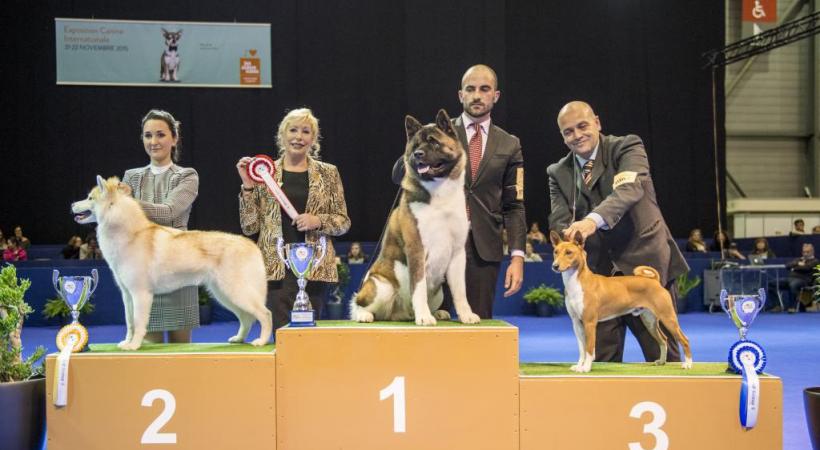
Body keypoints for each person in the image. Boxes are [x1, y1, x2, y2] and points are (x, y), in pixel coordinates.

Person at [547, 101, 688, 363]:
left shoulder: (627, 147)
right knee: (601, 363)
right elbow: (558, 218)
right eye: (568, 132)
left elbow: (629, 191)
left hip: (642, 264)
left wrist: (591, 221)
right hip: (597, 279)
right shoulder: (557, 172)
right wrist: (568, 235)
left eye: (582, 126)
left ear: (597, 123)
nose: (577, 135)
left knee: (663, 357)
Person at [391, 64, 526, 319]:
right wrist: (417, 145)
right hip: (432, 244)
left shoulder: (510, 144)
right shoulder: (438, 133)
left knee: (476, 332)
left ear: (495, 96)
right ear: (460, 95)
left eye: (485, 89)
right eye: (470, 89)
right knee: (428, 331)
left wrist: (517, 256)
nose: (477, 95)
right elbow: (397, 176)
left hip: (482, 250)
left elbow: (515, 204)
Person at [237, 108, 351, 331]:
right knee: (281, 336)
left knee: (309, 338)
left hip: (315, 267)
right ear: (282, 135)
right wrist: (248, 187)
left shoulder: (328, 173)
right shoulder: (263, 173)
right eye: (293, 130)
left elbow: (343, 222)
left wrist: (317, 220)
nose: (298, 136)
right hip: (275, 268)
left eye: (305, 131)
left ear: (313, 139)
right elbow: (249, 227)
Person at [119, 109, 199, 344]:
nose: (153, 142)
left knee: (181, 353)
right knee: (148, 352)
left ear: (174, 139)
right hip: (142, 270)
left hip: (179, 267)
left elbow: (169, 212)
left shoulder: (188, 176)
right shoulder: (130, 176)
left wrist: (128, 202)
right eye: (148, 135)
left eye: (161, 135)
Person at [770, 243, 819, 313]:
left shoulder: (815, 261)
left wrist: (795, 267)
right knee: (772, 283)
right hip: (790, 279)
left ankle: (792, 307)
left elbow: (806, 268)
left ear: (812, 252)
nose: (805, 254)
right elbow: (787, 265)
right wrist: (798, 264)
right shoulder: (798, 259)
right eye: (804, 252)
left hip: (804, 281)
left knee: (793, 285)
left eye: (807, 252)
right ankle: (777, 306)